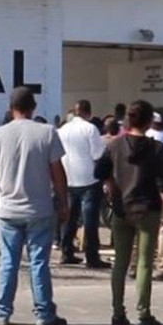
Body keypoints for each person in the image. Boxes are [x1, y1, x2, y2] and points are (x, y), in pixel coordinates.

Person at [0, 86, 69, 325]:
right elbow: (58, 172)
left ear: (11, 109)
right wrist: (63, 203)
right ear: (33, 108)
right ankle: (44, 313)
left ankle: (2, 312)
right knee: (39, 262)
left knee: (9, 261)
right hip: (39, 208)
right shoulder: (47, 132)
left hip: (8, 209)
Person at [95, 99, 163, 325]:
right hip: (147, 210)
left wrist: (111, 187)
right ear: (149, 121)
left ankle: (118, 313)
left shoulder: (114, 145)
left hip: (121, 208)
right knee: (145, 263)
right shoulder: (157, 148)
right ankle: (144, 314)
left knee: (120, 261)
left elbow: (99, 171)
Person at [57, 100, 109, 268]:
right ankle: (92, 256)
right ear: (89, 113)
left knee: (70, 218)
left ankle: (67, 252)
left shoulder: (62, 129)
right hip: (88, 179)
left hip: (69, 178)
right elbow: (97, 154)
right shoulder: (90, 128)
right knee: (90, 220)